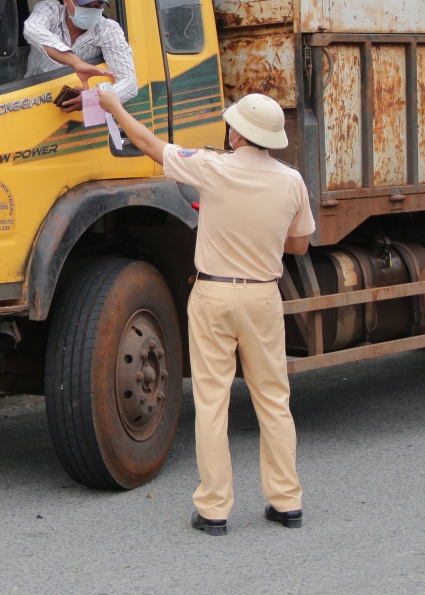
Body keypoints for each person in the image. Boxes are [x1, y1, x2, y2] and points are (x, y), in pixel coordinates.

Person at [97, 88, 315, 537]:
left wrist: (114, 108)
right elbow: (299, 244)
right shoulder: (291, 181)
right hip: (263, 296)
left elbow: (150, 146)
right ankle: (286, 501)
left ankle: (215, 510)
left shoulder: (213, 168)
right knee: (274, 401)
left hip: (214, 296)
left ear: (237, 134)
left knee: (213, 402)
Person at [23, 0, 137, 110]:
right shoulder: (50, 10)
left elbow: (129, 82)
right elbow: (31, 29)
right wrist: (75, 62)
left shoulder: (108, 29)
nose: (91, 11)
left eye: (97, 6)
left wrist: (93, 99)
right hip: (31, 100)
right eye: (85, 5)